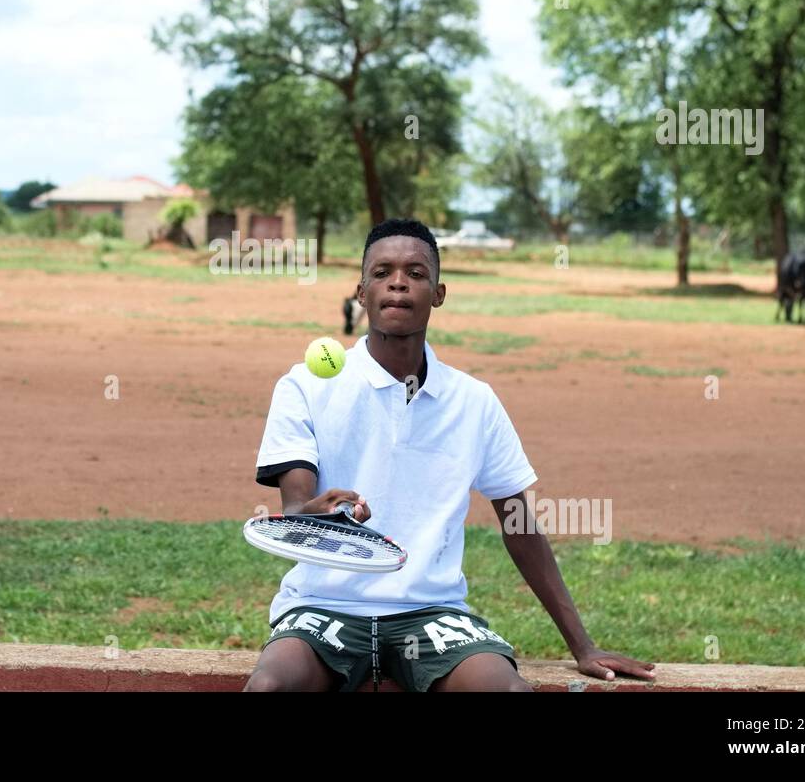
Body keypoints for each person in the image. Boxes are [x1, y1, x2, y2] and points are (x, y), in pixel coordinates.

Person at [244, 218, 656, 691]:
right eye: (382, 273)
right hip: (323, 606)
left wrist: (583, 646)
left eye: (415, 273)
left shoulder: (473, 401)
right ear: (360, 292)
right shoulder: (306, 385)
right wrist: (311, 516)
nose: (398, 282)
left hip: (431, 612)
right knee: (271, 687)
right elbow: (296, 506)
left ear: (438, 293)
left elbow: (519, 526)